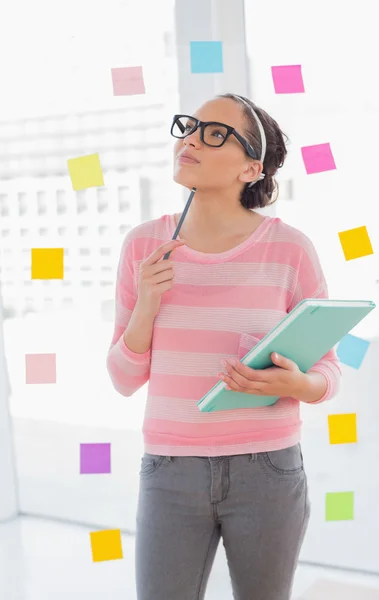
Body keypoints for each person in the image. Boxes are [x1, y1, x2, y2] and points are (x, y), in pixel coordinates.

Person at [106, 93, 342, 600]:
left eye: (214, 134)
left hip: (269, 470)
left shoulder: (290, 249)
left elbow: (328, 370)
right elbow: (123, 380)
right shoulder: (143, 247)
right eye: (190, 127)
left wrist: (297, 383)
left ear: (251, 168)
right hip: (169, 469)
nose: (190, 139)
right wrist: (147, 304)